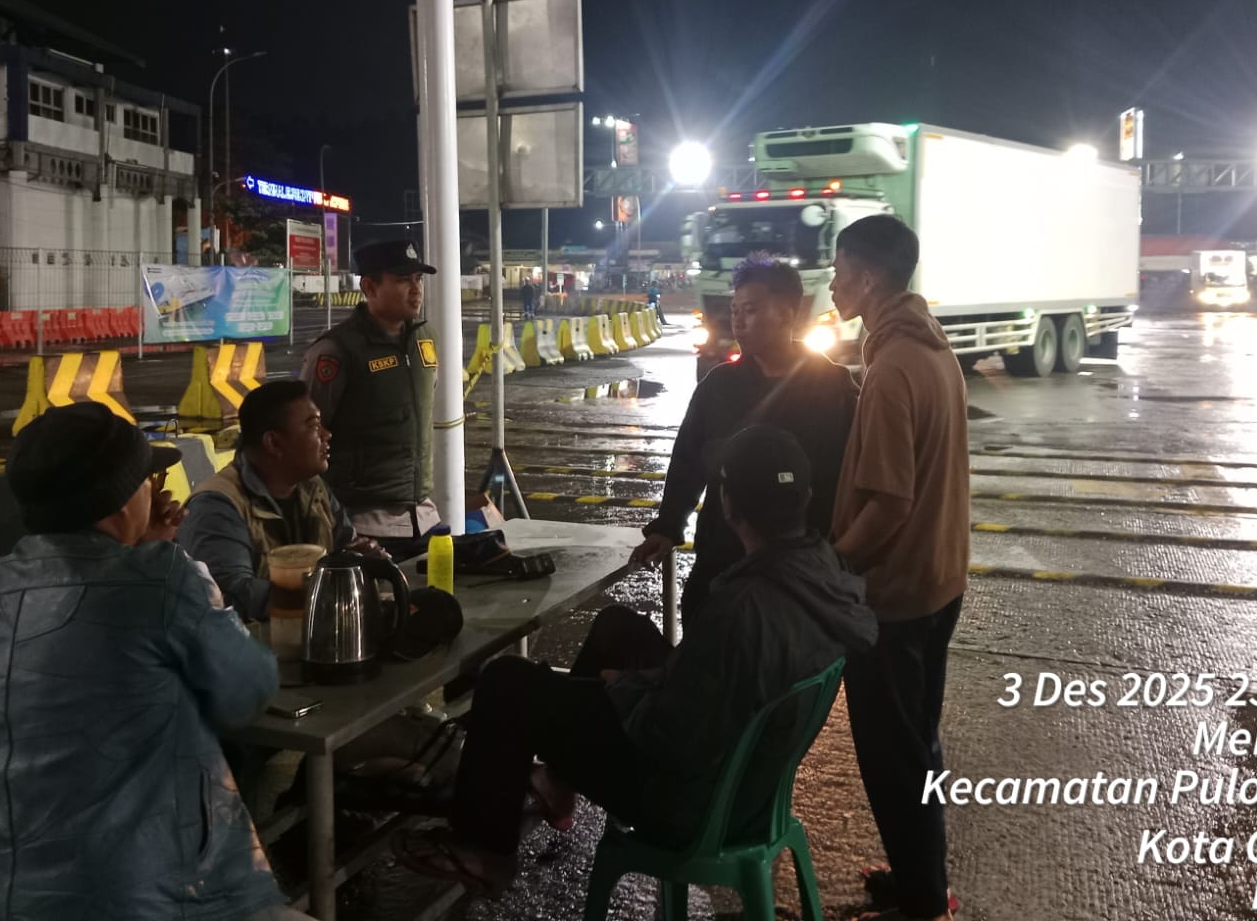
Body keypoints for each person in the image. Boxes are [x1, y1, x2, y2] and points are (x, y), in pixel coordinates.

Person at [393, 425, 877, 896]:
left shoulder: (742, 608)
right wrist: (638, 682)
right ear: (805, 497)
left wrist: (626, 687)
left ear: (729, 506)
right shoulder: (823, 572)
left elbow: (672, 734)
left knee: (507, 683)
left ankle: (485, 853)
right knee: (617, 627)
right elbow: (704, 690)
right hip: (749, 782)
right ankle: (558, 782)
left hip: (690, 800)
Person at [0, 402, 297, 921]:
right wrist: (171, 561)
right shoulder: (159, 578)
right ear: (119, 501)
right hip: (138, 896)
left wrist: (144, 553)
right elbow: (247, 690)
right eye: (146, 480)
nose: (155, 490)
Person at [828, 214, 970, 921]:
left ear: (869, 279)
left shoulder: (891, 371)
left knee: (893, 755)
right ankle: (920, 878)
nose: (831, 286)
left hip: (897, 597)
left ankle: (920, 900)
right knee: (919, 741)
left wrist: (834, 567)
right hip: (941, 582)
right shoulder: (933, 351)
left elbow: (888, 503)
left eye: (838, 272)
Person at [630, 258, 857, 626]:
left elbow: (847, 474)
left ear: (786, 315)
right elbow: (688, 461)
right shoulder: (719, 385)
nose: (738, 321)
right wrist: (668, 526)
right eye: (735, 310)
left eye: (750, 310)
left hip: (800, 571)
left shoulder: (832, 386)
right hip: (721, 562)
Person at [180, 380, 384, 621]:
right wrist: (326, 592)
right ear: (274, 443)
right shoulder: (217, 506)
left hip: (309, 634)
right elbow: (232, 596)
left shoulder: (312, 488)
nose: (326, 435)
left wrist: (364, 560)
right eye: (313, 426)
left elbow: (346, 546)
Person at [300, 238, 441, 537]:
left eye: (418, 278)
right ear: (369, 287)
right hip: (363, 522)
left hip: (424, 515)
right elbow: (306, 431)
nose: (416, 289)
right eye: (402, 279)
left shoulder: (424, 338)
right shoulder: (337, 350)